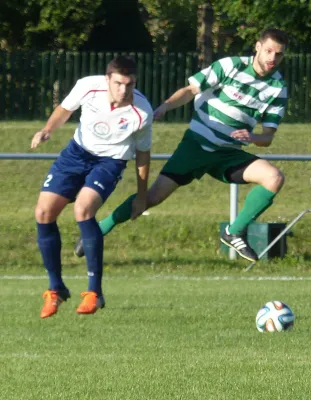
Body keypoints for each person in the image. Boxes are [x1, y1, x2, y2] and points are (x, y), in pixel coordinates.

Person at [74, 27, 288, 263]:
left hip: (228, 153)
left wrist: (253, 138)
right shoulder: (230, 66)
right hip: (195, 147)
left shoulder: (278, 88)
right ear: (257, 47)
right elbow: (190, 90)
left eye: (278, 54)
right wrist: (166, 106)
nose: (272, 58)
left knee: (274, 177)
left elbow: (268, 137)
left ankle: (234, 231)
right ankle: (99, 230)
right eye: (268, 51)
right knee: (152, 197)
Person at [32, 56, 153, 318]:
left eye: (130, 84)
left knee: (83, 209)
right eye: (119, 83)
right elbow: (65, 109)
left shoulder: (142, 112)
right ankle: (56, 289)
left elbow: (143, 154)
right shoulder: (88, 86)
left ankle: (94, 293)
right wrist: (47, 130)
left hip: (110, 161)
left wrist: (141, 197)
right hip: (76, 153)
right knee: (43, 212)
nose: (124, 90)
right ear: (107, 79)